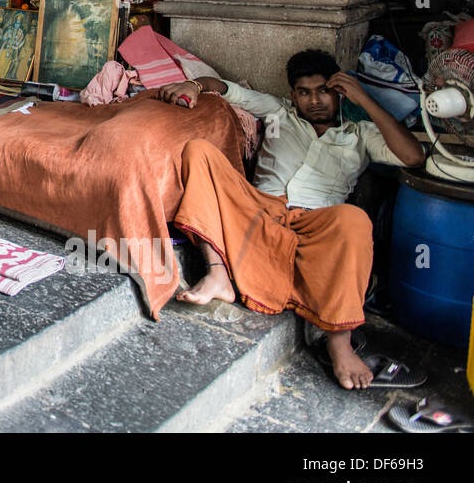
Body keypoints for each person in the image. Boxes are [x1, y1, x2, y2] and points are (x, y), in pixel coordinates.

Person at [154, 49, 425, 390]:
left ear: (338, 91)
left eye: (324, 90)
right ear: (293, 93)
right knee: (198, 151)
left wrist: (364, 99)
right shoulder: (278, 112)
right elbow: (222, 88)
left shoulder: (360, 134)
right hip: (257, 211)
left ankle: (339, 343)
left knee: (354, 219)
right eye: (304, 92)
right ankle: (218, 274)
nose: (314, 100)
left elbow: (413, 157)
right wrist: (193, 85)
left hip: (315, 225)